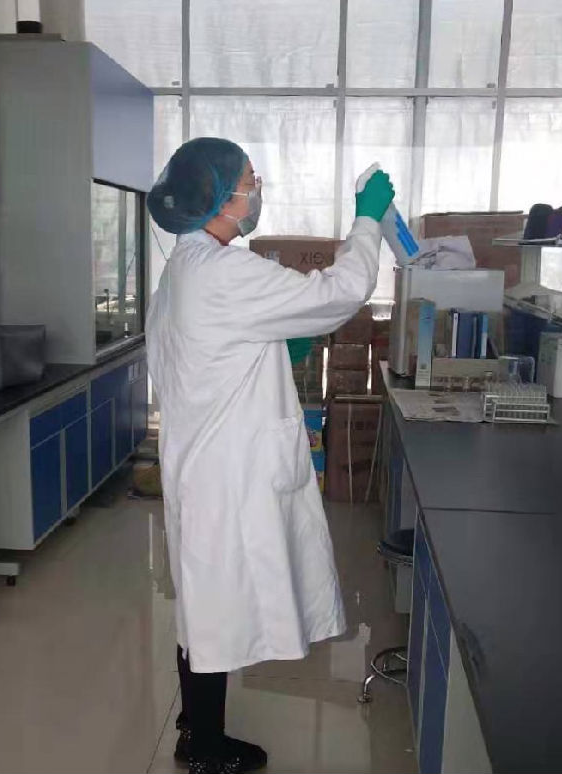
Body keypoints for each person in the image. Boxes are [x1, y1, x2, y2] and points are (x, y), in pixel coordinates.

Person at [146, 137, 394, 774]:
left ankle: (195, 729)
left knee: (203, 603)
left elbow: (207, 350)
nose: (256, 192)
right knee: (216, 605)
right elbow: (342, 290)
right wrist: (368, 219)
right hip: (227, 472)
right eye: (249, 181)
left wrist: (276, 348)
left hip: (202, 462)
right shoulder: (225, 272)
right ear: (218, 196)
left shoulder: (184, 268)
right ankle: (205, 749)